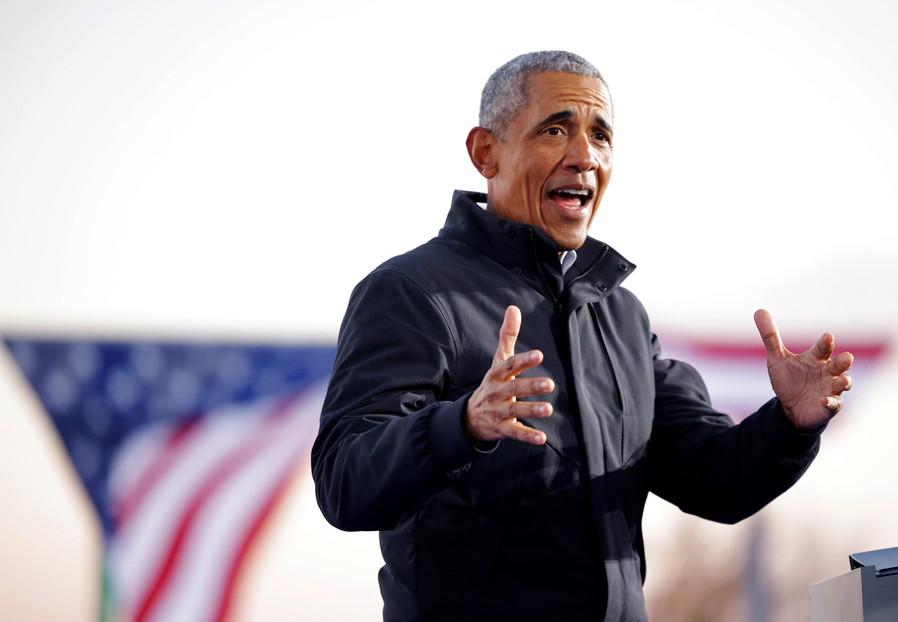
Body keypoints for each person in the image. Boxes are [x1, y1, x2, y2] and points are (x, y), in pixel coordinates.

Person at [312, 50, 853, 622]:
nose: (584, 156)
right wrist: (463, 424)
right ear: (485, 152)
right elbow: (344, 481)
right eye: (555, 130)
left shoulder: (621, 315)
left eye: (600, 135)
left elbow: (713, 480)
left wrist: (788, 425)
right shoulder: (410, 292)